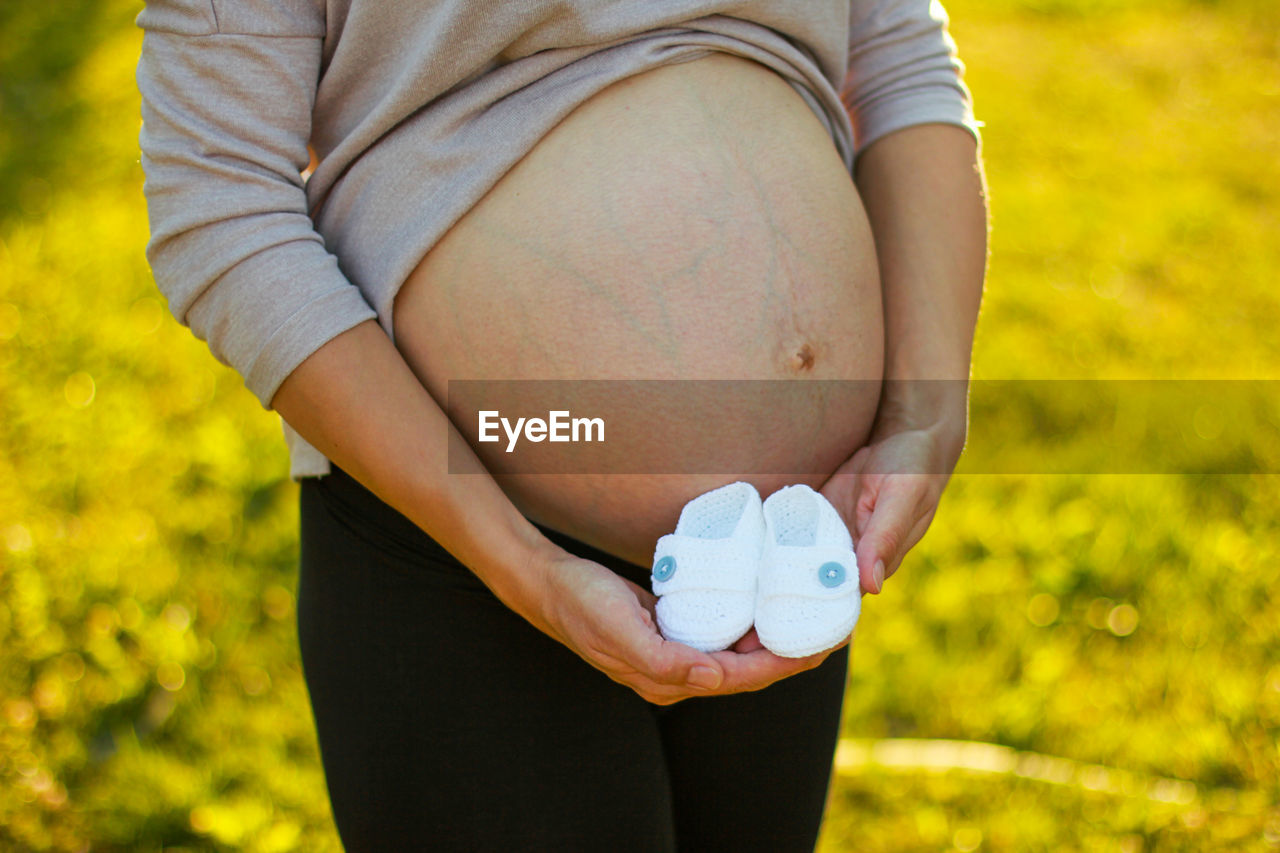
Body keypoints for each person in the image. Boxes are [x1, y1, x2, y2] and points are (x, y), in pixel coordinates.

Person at [135, 1, 986, 849]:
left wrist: (927, 414)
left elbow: (900, 69)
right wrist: (527, 568)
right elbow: (221, 201)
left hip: (785, 552)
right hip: (458, 550)